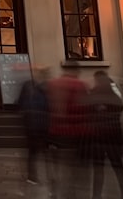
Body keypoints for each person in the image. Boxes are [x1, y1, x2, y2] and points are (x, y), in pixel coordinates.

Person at [83, 71, 123, 199]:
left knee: (98, 168)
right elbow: (120, 109)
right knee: (118, 167)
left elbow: (87, 112)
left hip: (98, 137)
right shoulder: (114, 96)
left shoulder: (94, 94)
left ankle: (96, 195)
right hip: (114, 137)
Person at [45, 65, 87, 199]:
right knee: (72, 167)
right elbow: (84, 110)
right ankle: (70, 192)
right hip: (73, 133)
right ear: (74, 70)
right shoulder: (79, 85)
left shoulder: (52, 84)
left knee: (55, 165)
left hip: (54, 131)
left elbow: (47, 108)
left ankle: (54, 191)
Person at [16, 66, 49, 186]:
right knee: (35, 152)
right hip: (36, 124)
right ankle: (33, 176)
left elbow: (20, 103)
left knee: (35, 152)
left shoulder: (33, 86)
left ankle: (34, 176)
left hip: (35, 124)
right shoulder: (42, 87)